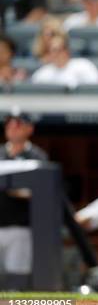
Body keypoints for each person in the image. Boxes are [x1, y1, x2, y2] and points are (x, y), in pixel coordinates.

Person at [0, 107, 47, 277]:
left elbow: (43, 192)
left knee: (16, 278)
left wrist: (18, 191)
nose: (12, 127)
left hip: (21, 227)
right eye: (9, 124)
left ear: (29, 128)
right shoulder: (0, 153)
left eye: (18, 124)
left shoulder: (37, 156)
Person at [31, 34, 98, 89]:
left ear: (67, 51)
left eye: (59, 50)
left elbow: (96, 87)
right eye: (53, 51)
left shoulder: (84, 65)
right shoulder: (43, 73)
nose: (56, 54)